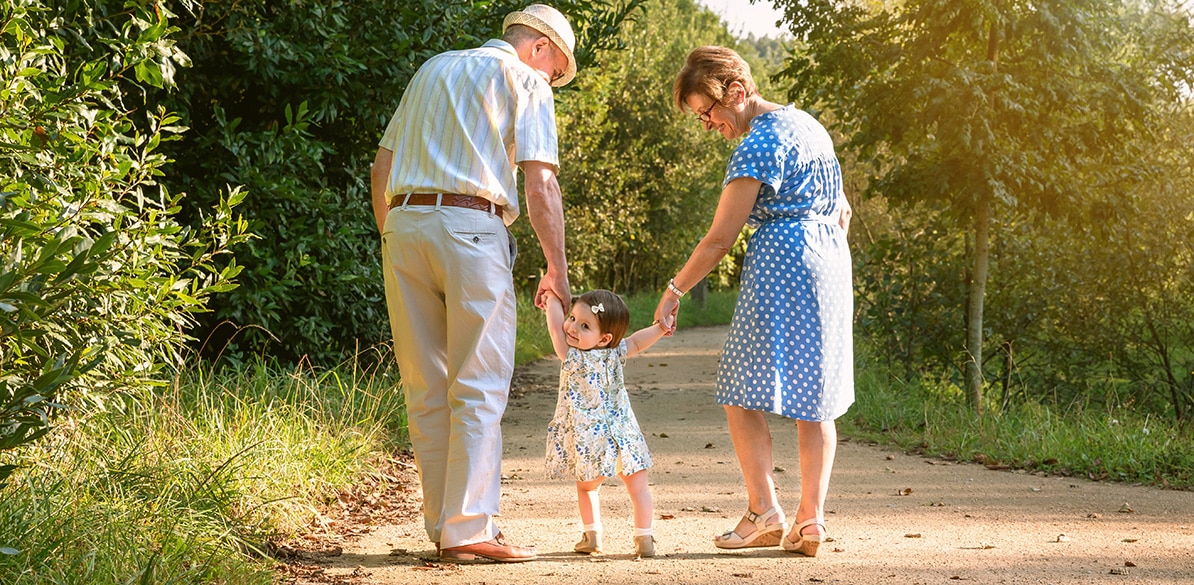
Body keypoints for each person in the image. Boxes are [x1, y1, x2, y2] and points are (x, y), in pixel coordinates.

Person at [369, 4, 578, 563]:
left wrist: (393, 237)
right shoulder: (525, 81)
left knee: (426, 385)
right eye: (556, 69)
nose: (552, 79)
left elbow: (381, 165)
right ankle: (469, 529)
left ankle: (444, 526)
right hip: (471, 226)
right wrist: (556, 269)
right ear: (538, 49)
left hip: (405, 225)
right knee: (479, 383)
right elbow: (541, 184)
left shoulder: (433, 68)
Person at [656, 46, 854, 557]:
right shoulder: (808, 125)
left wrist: (674, 290)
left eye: (708, 112)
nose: (706, 125)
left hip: (781, 265)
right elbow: (844, 210)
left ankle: (763, 511)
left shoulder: (756, 145)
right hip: (830, 262)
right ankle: (811, 521)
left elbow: (720, 238)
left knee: (740, 389)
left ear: (737, 93)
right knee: (817, 396)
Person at [542, 290, 667, 558]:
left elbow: (554, 328)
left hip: (592, 441)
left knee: (587, 487)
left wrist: (552, 299)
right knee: (639, 488)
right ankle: (644, 538)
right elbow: (636, 342)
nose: (572, 327)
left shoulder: (572, 357)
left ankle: (592, 536)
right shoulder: (614, 352)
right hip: (625, 435)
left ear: (605, 338)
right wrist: (660, 328)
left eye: (584, 326)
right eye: (573, 318)